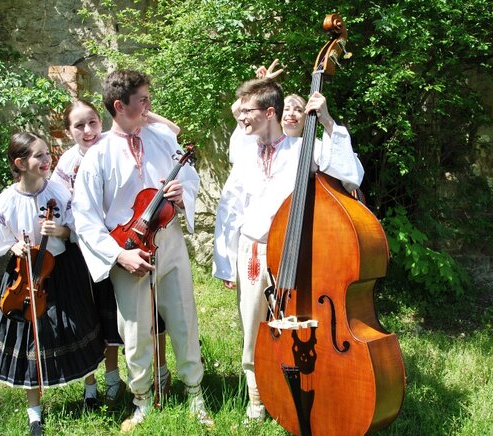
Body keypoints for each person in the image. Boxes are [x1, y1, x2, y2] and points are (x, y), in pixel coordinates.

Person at [212, 78, 364, 421]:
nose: (241, 117)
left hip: (294, 252)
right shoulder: (244, 151)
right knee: (253, 328)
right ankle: (257, 399)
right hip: (252, 251)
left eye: (247, 110)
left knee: (295, 326)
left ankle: (296, 390)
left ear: (269, 113)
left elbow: (351, 174)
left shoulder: (303, 149)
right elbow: (229, 207)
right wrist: (225, 263)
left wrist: (326, 122)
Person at [71, 70, 211, 431]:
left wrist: (183, 194)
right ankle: (142, 400)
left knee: (183, 316)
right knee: (134, 330)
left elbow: (190, 178)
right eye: (143, 101)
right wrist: (120, 256)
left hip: (170, 240)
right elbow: (85, 218)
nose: (149, 107)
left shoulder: (161, 138)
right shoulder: (97, 155)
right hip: (129, 250)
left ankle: (195, 393)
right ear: (120, 106)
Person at [50, 100, 179, 408]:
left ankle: (159, 372)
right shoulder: (67, 163)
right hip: (90, 249)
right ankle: (110, 378)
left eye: (92, 122)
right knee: (103, 318)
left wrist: (143, 111)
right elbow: (63, 205)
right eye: (79, 126)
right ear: (68, 132)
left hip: (130, 243)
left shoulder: (115, 142)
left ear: (102, 120)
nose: (87, 130)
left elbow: (173, 131)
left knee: (147, 314)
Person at [0, 132, 106, 435]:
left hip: (62, 271)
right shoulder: (8, 198)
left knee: (75, 326)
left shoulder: (59, 191)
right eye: (39, 156)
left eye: (47, 154)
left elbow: (80, 227)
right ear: (19, 163)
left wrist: (61, 230)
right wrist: (12, 246)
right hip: (26, 276)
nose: (47, 160)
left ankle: (90, 390)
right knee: (28, 341)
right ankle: (34, 412)